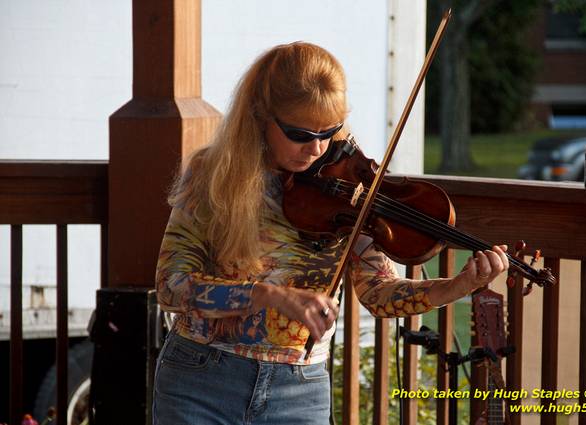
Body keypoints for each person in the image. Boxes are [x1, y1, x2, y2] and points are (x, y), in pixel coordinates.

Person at [153, 41, 509, 425]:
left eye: (330, 131)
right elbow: (171, 286)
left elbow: (379, 293)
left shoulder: (348, 183)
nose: (317, 148)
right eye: (300, 134)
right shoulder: (213, 175)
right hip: (202, 378)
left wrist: (453, 288)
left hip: (299, 390)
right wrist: (268, 296)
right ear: (260, 115)